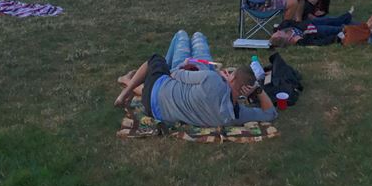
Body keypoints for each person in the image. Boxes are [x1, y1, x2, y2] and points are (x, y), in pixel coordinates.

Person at [111, 31, 277, 127]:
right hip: (156, 110)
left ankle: (125, 89)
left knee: (180, 39)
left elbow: (175, 74)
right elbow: (270, 113)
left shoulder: (212, 79)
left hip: (164, 85)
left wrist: (186, 65)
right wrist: (258, 89)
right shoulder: (235, 115)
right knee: (197, 42)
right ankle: (128, 82)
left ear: (232, 79)